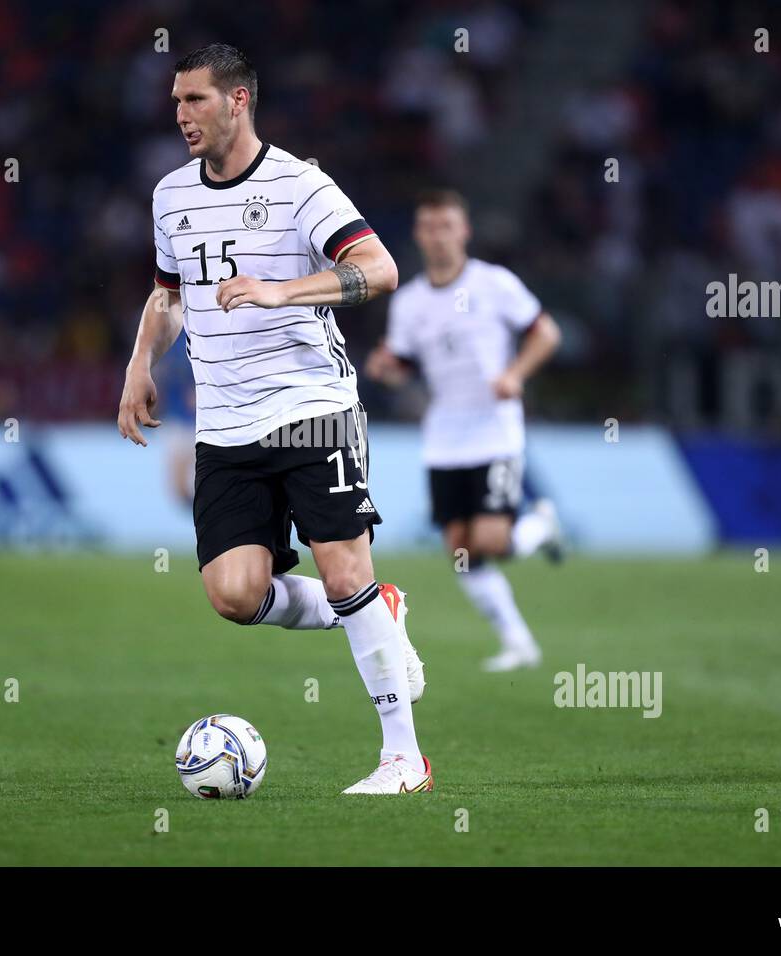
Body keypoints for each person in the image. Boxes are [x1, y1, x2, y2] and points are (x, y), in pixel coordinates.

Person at [118, 44, 431, 794]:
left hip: (311, 409)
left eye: (195, 100)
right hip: (225, 426)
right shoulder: (169, 195)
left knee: (343, 567)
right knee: (234, 593)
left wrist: (281, 292)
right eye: (175, 102)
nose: (181, 115)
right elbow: (170, 296)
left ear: (238, 102)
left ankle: (402, 759)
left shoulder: (300, 185)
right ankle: (374, 612)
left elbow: (380, 269)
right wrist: (138, 365)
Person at [365, 189, 563, 672]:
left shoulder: (494, 284)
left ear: (464, 231)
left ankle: (538, 527)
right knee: (460, 551)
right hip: (444, 438)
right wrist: (385, 368)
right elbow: (403, 364)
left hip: (495, 432)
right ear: (418, 235)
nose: (438, 236)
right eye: (429, 227)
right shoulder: (409, 302)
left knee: (491, 540)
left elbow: (547, 332)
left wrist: (515, 374)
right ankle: (518, 642)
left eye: (446, 226)